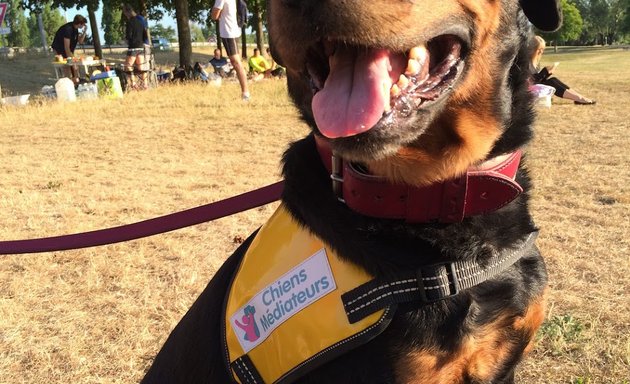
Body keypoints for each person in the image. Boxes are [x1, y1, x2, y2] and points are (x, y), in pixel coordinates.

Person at [530, 35, 596, 105]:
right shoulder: (525, 62)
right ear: (532, 49)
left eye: (543, 49)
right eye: (539, 49)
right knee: (551, 82)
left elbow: (538, 79)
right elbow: (531, 81)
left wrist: (548, 73)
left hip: (534, 87)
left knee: (553, 79)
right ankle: (579, 98)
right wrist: (545, 71)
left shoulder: (536, 61)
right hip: (526, 91)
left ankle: (579, 97)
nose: (541, 52)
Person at [212, 0, 250, 100]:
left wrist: (216, 12)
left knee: (236, 63)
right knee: (236, 63)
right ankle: (245, 93)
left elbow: (214, 16)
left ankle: (245, 94)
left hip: (228, 32)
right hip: (235, 30)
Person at [51, 15, 88, 83]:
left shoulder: (75, 29)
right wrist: (72, 59)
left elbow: (80, 41)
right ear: (79, 23)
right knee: (67, 66)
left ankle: (76, 81)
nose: (84, 26)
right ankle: (69, 83)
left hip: (68, 50)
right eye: (83, 24)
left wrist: (84, 32)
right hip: (59, 49)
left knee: (75, 66)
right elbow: (66, 47)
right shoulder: (68, 29)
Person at [122, 4, 149, 88]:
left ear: (128, 12)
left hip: (132, 48)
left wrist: (125, 40)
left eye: (125, 14)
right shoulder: (141, 22)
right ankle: (145, 84)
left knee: (128, 66)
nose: (125, 16)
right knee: (141, 67)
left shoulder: (129, 22)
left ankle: (133, 84)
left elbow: (128, 36)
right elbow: (145, 35)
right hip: (141, 47)